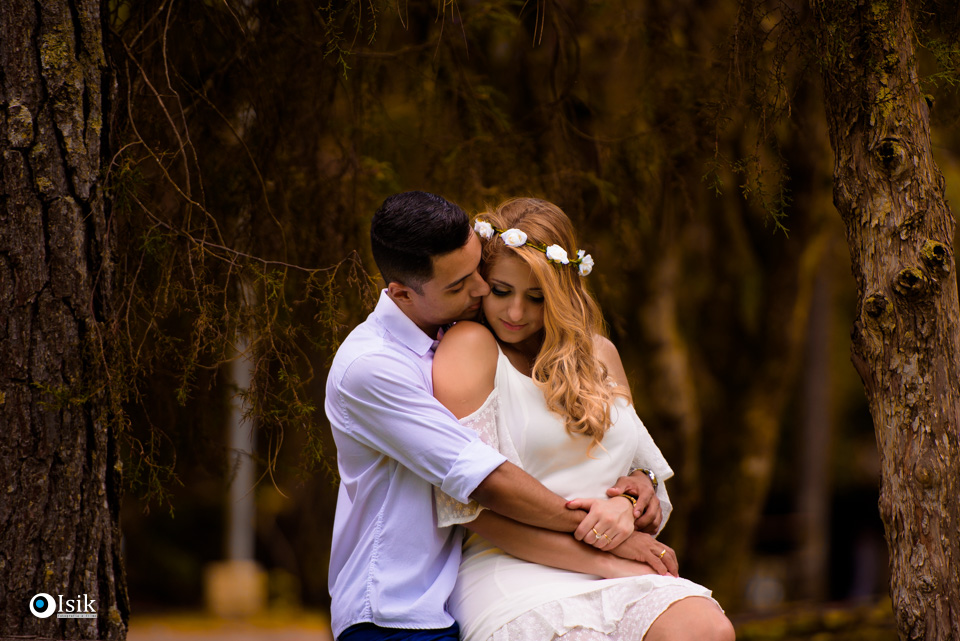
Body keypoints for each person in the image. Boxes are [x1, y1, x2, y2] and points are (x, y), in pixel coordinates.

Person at [325, 191, 664, 641]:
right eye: (460, 285)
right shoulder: (372, 367)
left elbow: (636, 457)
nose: (481, 290)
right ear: (402, 293)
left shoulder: (465, 340)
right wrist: (607, 536)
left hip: (458, 599)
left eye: (478, 274)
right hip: (397, 609)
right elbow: (483, 479)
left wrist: (636, 487)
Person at [432, 197, 736, 641]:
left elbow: (642, 469)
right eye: (501, 291)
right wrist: (608, 558)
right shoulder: (470, 346)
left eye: (536, 297)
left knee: (706, 628)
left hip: (619, 557)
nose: (515, 313)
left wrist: (632, 499)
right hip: (512, 566)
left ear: (562, 294)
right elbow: (467, 506)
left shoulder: (600, 354)